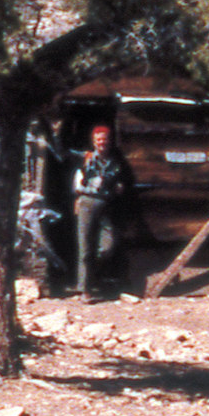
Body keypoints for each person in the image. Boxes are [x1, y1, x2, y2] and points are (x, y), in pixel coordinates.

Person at [72, 124, 129, 299]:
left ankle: (92, 274)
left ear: (109, 141)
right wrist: (78, 197)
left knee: (108, 245)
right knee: (85, 246)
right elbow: (77, 180)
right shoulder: (86, 158)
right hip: (88, 202)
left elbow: (120, 181)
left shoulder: (115, 161)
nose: (101, 143)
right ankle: (85, 289)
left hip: (107, 203)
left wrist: (119, 187)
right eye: (98, 140)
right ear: (94, 142)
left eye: (104, 139)